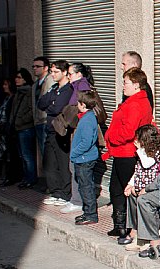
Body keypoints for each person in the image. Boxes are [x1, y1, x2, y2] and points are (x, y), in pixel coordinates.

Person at [103, 67, 153, 238]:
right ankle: (121, 225)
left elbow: (128, 131)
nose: (123, 86)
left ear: (136, 84)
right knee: (116, 189)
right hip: (121, 152)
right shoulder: (135, 101)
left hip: (127, 152)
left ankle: (132, 227)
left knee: (127, 190)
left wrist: (111, 136)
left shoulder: (135, 104)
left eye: (126, 82)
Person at [118, 124, 160, 252]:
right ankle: (135, 229)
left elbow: (146, 164)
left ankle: (145, 238)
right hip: (144, 185)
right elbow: (137, 171)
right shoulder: (144, 153)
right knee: (131, 195)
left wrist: (139, 150)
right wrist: (131, 184)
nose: (136, 141)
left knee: (143, 200)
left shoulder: (156, 153)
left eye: (138, 139)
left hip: (155, 188)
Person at [59, 62, 96, 214]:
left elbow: (86, 140)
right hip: (77, 132)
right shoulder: (75, 87)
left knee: (81, 174)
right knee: (76, 170)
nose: (68, 77)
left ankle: (80, 203)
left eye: (70, 74)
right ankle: (77, 200)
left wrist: (74, 153)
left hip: (80, 136)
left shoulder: (82, 88)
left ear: (79, 74)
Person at [38, 60, 74, 206]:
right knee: (49, 164)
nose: (52, 75)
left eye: (56, 72)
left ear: (64, 72)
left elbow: (59, 108)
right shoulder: (53, 88)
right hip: (50, 130)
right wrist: (51, 103)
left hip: (61, 131)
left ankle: (65, 194)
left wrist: (51, 105)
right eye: (51, 72)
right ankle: (55, 191)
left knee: (62, 163)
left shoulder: (68, 89)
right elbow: (41, 103)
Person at [70, 91, 100, 226]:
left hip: (84, 159)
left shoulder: (87, 119)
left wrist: (74, 153)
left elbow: (86, 142)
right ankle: (87, 211)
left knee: (86, 187)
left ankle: (91, 214)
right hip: (83, 158)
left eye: (78, 102)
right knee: (84, 186)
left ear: (83, 104)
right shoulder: (87, 117)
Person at [10, 68, 36, 189]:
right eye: (16, 77)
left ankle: (31, 178)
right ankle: (26, 178)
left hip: (26, 127)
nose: (16, 80)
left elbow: (31, 110)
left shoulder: (28, 92)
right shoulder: (18, 92)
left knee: (27, 155)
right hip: (18, 127)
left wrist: (22, 120)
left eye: (19, 77)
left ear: (25, 79)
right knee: (22, 155)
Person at [31, 56, 53, 163]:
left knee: (47, 153)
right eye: (33, 66)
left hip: (46, 121)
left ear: (46, 68)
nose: (35, 68)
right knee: (42, 152)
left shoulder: (50, 81)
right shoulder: (36, 84)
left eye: (38, 66)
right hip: (38, 121)